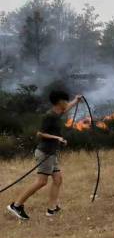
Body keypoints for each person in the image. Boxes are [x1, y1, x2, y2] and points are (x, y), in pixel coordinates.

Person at [7, 90, 82, 220]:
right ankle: (16, 205)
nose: (67, 103)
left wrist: (76, 100)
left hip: (51, 153)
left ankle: (51, 209)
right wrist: (57, 138)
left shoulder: (58, 112)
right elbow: (40, 133)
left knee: (58, 179)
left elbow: (66, 108)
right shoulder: (49, 115)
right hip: (45, 153)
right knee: (41, 182)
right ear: (59, 102)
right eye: (65, 100)